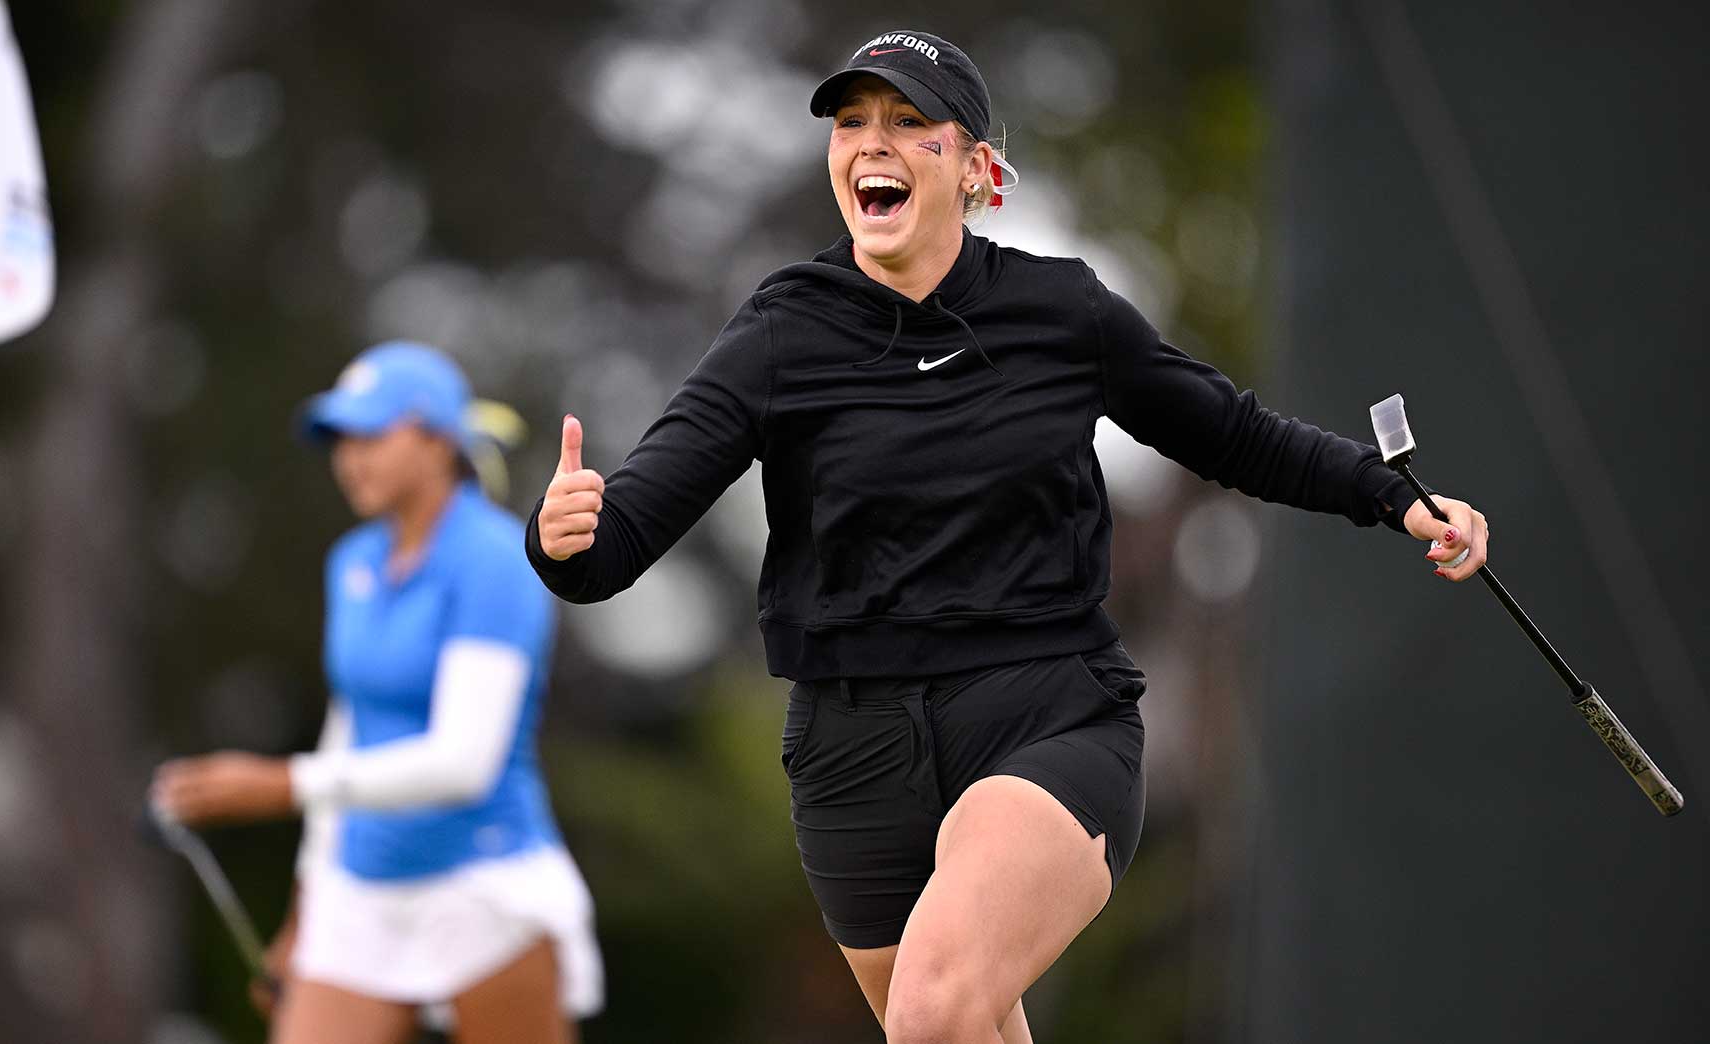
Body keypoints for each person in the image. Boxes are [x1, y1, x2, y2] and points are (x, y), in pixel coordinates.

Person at [526, 28, 1488, 1044]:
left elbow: (1235, 436)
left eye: (908, 124)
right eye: (850, 124)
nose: (872, 145)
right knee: (965, 1027)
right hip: (851, 752)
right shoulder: (779, 333)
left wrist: (1389, 495)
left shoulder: (1060, 311)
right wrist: (563, 537)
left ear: (975, 168)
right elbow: (613, 548)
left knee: (935, 1010)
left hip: (1044, 713)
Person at [152, 341, 604, 1044]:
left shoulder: (493, 560)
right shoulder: (354, 562)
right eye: (339, 440)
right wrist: (306, 909)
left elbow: (464, 762)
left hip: (485, 888)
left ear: (435, 442)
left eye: (370, 435)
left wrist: (280, 784)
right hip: (359, 892)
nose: (349, 458)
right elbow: (350, 722)